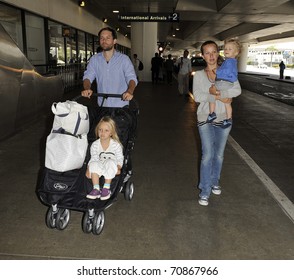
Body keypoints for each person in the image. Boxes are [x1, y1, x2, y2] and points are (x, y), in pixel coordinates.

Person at [193, 40, 241, 206]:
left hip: (224, 118)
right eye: (207, 52)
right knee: (207, 155)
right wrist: (216, 95)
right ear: (202, 55)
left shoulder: (227, 70)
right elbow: (198, 96)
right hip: (205, 118)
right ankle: (205, 190)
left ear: (218, 53)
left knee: (219, 155)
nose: (211, 56)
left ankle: (215, 181)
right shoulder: (199, 75)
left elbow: (237, 90)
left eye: (214, 52)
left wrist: (221, 94)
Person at [81, 27, 138, 107]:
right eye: (102, 38)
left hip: (121, 105)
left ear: (114, 41)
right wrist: (87, 88)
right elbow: (88, 77)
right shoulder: (94, 59)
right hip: (102, 105)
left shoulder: (124, 59)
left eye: (108, 38)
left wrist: (130, 91)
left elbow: (131, 78)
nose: (104, 41)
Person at [86, 116, 124, 200]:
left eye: (106, 130)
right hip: (100, 165)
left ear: (111, 133)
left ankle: (106, 188)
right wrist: (89, 168)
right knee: (93, 163)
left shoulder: (116, 145)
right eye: (100, 130)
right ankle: (96, 189)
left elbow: (120, 157)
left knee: (110, 162)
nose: (102, 132)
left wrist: (118, 166)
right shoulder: (95, 144)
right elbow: (94, 158)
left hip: (111, 166)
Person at [207, 38, 242, 128]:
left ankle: (212, 113)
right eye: (225, 48)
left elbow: (226, 71)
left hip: (223, 83)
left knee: (212, 96)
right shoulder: (231, 61)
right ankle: (229, 119)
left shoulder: (229, 61)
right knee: (227, 103)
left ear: (236, 52)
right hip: (226, 84)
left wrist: (217, 71)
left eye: (230, 49)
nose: (226, 50)